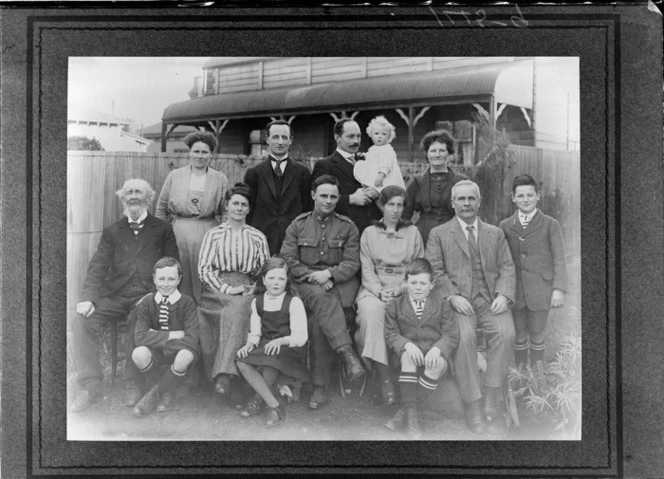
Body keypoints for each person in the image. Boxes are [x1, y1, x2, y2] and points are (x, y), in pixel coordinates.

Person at [70, 178, 179, 413]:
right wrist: (88, 298)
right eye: (129, 192)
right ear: (123, 198)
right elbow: (98, 266)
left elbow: (172, 265)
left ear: (149, 198)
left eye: (139, 192)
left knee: (138, 316)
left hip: (148, 294)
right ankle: (91, 385)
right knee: (81, 320)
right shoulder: (113, 231)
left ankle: (133, 383)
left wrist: (157, 294)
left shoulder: (162, 229)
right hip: (117, 294)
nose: (133, 196)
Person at [426, 179, 516, 433]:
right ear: (452, 203)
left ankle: (491, 393)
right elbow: (434, 269)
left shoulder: (495, 233)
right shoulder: (439, 234)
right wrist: (452, 296)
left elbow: (507, 267)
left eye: (471, 199)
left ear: (479, 202)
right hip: (457, 303)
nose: (466, 204)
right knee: (464, 338)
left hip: (488, 299)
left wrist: (503, 295)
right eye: (461, 199)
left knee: (506, 333)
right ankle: (473, 403)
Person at [280, 174, 367, 410]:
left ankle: (320, 388)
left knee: (319, 322)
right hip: (304, 284)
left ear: (339, 198)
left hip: (335, 286)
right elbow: (287, 258)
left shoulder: (347, 226)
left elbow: (351, 262)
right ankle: (348, 355)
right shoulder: (298, 224)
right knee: (320, 298)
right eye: (323, 196)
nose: (328, 201)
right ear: (313, 196)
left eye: (333, 197)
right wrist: (313, 277)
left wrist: (328, 275)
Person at [198, 183, 271, 403]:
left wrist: (254, 286)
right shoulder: (214, 234)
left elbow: (265, 269)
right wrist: (228, 288)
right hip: (216, 287)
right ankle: (227, 373)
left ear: (249, 209)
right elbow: (204, 269)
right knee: (237, 306)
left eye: (244, 205)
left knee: (240, 306)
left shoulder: (258, 237)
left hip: (247, 285)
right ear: (227, 206)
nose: (239, 208)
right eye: (235, 203)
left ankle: (224, 375)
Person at [355, 185, 424, 405]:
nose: (395, 210)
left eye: (400, 205)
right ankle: (384, 380)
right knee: (372, 313)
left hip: (406, 288)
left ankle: (398, 377)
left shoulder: (412, 232)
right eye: (391, 204)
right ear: (382, 206)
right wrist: (379, 291)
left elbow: (418, 267)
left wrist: (402, 288)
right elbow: (366, 269)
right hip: (374, 288)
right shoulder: (369, 233)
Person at [383, 258, 459, 439]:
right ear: (405, 282)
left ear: (432, 285)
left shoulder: (441, 304)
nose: (418, 287)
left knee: (437, 363)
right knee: (408, 357)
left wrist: (438, 349)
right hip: (408, 356)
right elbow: (390, 334)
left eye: (423, 283)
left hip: (433, 352)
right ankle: (412, 419)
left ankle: (406, 411)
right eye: (413, 282)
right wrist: (407, 345)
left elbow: (451, 334)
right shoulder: (395, 304)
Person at [499, 174, 568, 370]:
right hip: (516, 291)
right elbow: (502, 260)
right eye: (520, 196)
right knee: (519, 332)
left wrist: (559, 289)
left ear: (538, 196)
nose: (526, 200)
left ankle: (537, 373)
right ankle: (522, 373)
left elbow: (559, 258)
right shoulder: (505, 225)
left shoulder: (549, 224)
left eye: (530, 195)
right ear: (513, 197)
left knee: (537, 331)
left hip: (541, 289)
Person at [156, 131, 229, 304]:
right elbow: (161, 208)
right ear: (190, 152)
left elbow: (226, 212)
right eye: (196, 151)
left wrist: (221, 235)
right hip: (179, 233)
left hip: (208, 232)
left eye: (204, 152)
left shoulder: (220, 179)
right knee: (179, 273)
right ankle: (181, 313)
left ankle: (205, 315)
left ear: (211, 154)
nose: (200, 156)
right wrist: (162, 234)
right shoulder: (175, 176)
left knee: (204, 274)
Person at [235, 258, 309, 428]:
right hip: (267, 345)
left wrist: (281, 341)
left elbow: (301, 336)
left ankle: (257, 401)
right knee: (241, 359)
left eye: (281, 279)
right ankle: (274, 405)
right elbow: (255, 333)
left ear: (287, 280)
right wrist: (249, 345)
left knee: (271, 357)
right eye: (272, 278)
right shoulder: (257, 302)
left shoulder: (293, 301)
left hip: (290, 347)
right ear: (263, 279)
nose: (276, 283)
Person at [130, 257, 200, 417]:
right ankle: (168, 391)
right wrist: (173, 335)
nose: (166, 284)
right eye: (161, 279)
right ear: (154, 278)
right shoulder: (147, 302)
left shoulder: (187, 303)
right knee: (139, 353)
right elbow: (139, 337)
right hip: (158, 355)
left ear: (179, 279)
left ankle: (154, 395)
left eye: (171, 279)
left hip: (179, 355)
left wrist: (155, 336)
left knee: (186, 354)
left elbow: (191, 340)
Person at [244, 120, 313, 256]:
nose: (280, 142)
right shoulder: (254, 173)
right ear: (267, 139)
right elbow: (249, 211)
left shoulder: (303, 173)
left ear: (290, 140)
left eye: (284, 137)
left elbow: (308, 208)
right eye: (275, 137)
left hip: (293, 240)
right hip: (261, 240)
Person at [312, 118, 381, 235]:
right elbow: (317, 201)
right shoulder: (325, 165)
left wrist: (377, 191)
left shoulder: (368, 161)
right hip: (342, 233)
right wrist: (350, 199)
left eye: (358, 136)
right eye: (350, 137)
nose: (356, 141)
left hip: (373, 231)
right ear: (337, 138)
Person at [403, 130, 467, 246]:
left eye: (442, 150)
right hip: (424, 237)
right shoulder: (417, 182)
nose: (437, 155)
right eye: (433, 151)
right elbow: (404, 214)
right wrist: (411, 234)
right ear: (427, 153)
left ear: (449, 153)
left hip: (453, 236)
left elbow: (470, 212)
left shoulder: (461, 181)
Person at [353, 115, 405, 196]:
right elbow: (372, 157)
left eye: (384, 134)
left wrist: (381, 175)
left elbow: (387, 164)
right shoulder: (373, 148)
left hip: (385, 177)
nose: (379, 136)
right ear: (371, 135)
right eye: (376, 133)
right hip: (376, 174)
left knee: (384, 190)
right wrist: (364, 156)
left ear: (389, 137)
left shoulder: (387, 149)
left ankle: (378, 193)